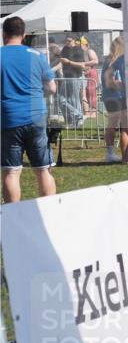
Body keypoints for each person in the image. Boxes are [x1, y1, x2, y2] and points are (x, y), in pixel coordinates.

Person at [2, 16, 57, 203]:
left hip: (8, 118)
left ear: (4, 33)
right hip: (36, 117)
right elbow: (52, 87)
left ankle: (13, 216)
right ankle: (50, 212)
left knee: (11, 171)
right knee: (43, 169)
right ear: (24, 34)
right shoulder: (37, 56)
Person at [101, 38, 125, 163]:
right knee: (114, 125)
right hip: (113, 97)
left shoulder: (112, 60)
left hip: (113, 96)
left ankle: (121, 152)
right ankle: (110, 154)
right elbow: (110, 82)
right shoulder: (112, 61)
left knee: (117, 125)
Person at [57, 35, 87, 127]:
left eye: (69, 41)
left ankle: (77, 122)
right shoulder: (65, 49)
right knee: (60, 100)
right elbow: (60, 61)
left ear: (74, 41)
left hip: (75, 77)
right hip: (66, 77)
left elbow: (82, 65)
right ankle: (77, 116)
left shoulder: (78, 50)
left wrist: (68, 62)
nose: (67, 42)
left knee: (74, 100)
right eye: (66, 41)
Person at [80, 36, 100, 115]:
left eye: (82, 44)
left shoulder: (90, 51)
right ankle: (88, 112)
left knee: (92, 92)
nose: (80, 46)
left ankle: (94, 112)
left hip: (91, 73)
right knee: (87, 92)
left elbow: (96, 61)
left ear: (86, 45)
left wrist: (84, 63)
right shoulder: (83, 52)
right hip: (86, 73)